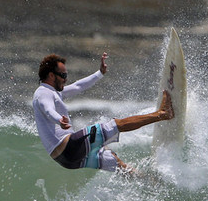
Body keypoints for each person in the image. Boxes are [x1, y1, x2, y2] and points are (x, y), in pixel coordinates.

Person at [33, 52, 174, 172]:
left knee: (115, 162)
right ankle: (162, 113)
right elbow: (48, 109)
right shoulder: (43, 93)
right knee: (117, 124)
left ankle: (148, 181)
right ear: (51, 75)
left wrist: (99, 73)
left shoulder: (54, 92)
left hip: (65, 160)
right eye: (63, 75)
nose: (66, 79)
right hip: (69, 147)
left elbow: (77, 86)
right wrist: (59, 120)